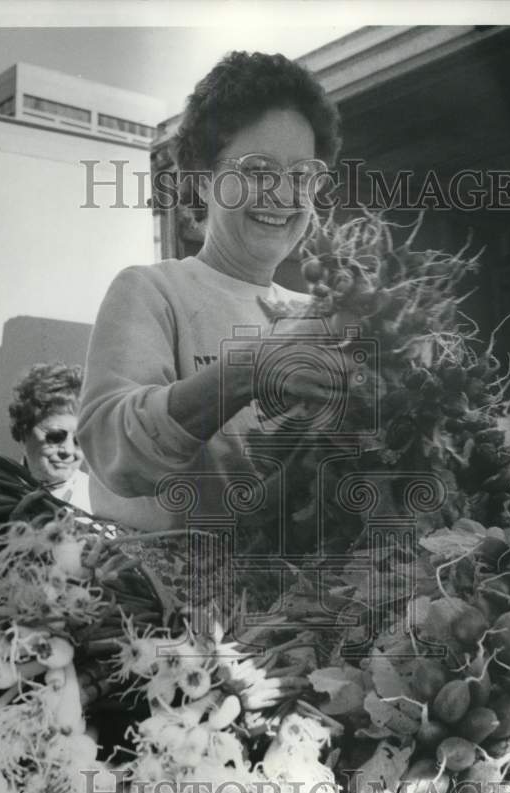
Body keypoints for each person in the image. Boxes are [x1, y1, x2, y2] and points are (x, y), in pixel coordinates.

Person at [77, 50, 343, 531]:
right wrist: (245, 373)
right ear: (201, 182)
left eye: (302, 176)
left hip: (297, 600)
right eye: (258, 170)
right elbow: (112, 448)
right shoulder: (154, 292)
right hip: (172, 598)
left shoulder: (320, 317)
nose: (283, 196)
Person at [9, 362, 92, 513]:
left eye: (79, 441)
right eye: (55, 436)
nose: (68, 450)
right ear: (23, 430)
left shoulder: (99, 503)